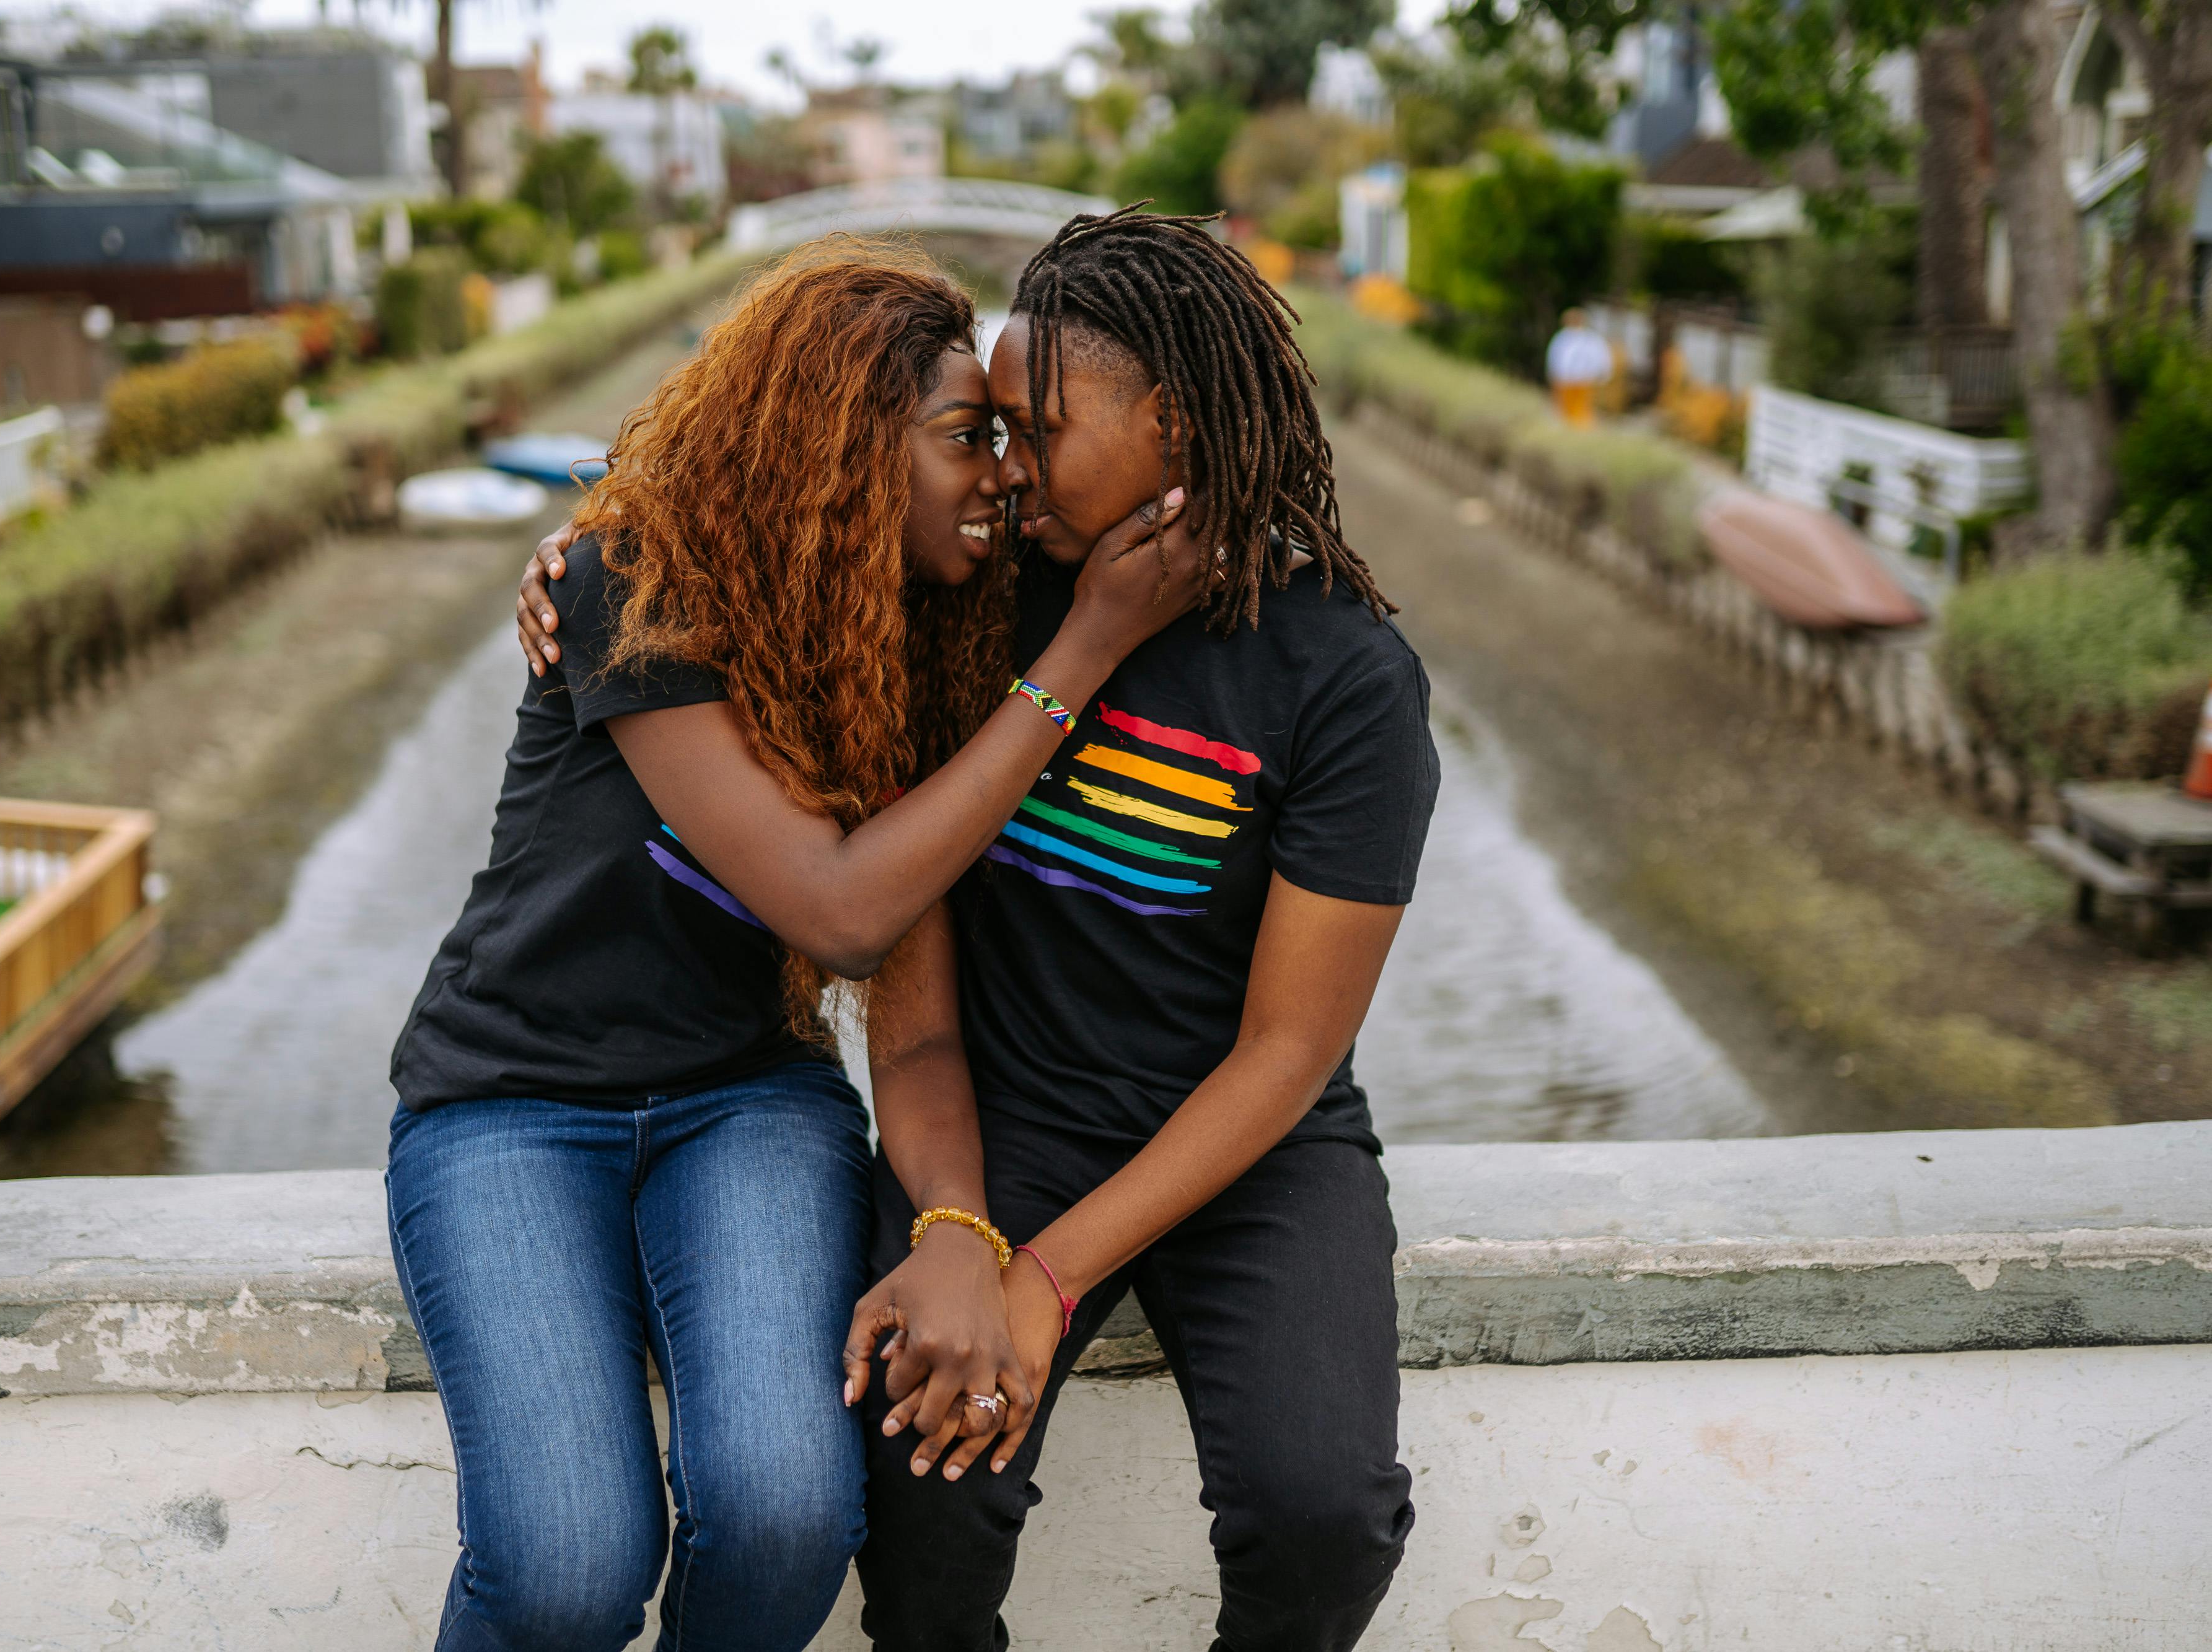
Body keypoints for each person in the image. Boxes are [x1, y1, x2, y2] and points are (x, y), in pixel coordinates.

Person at [392, 240, 1202, 1652]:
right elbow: (838, 911)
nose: (1004, 474)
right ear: (838, 442)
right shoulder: (632, 578)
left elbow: (921, 1023)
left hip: (742, 1102)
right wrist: (1074, 659)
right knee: (566, 1566)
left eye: (1010, 440)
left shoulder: (940, 650)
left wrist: (952, 1224)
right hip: (509, 1106)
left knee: (782, 1518)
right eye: (967, 438)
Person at [841, 207, 1440, 1652]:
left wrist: (1045, 1282)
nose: (1005, 465)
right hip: (1010, 1126)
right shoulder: (976, 597)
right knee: (925, 1495)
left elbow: (1290, 1051)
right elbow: (752, 510)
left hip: (1248, 1145)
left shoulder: (1343, 678)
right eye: (991, 428)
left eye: (1041, 428)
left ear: (1178, 419)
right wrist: (579, 544)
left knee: (1321, 1513)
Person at [1545, 305, 1613, 428]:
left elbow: (1600, 357)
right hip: (1565, 380)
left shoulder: (1591, 339)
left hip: (1585, 379)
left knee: (1583, 411)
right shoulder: (1561, 338)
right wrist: (1554, 374)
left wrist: (1602, 374)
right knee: (1565, 411)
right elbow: (1555, 358)